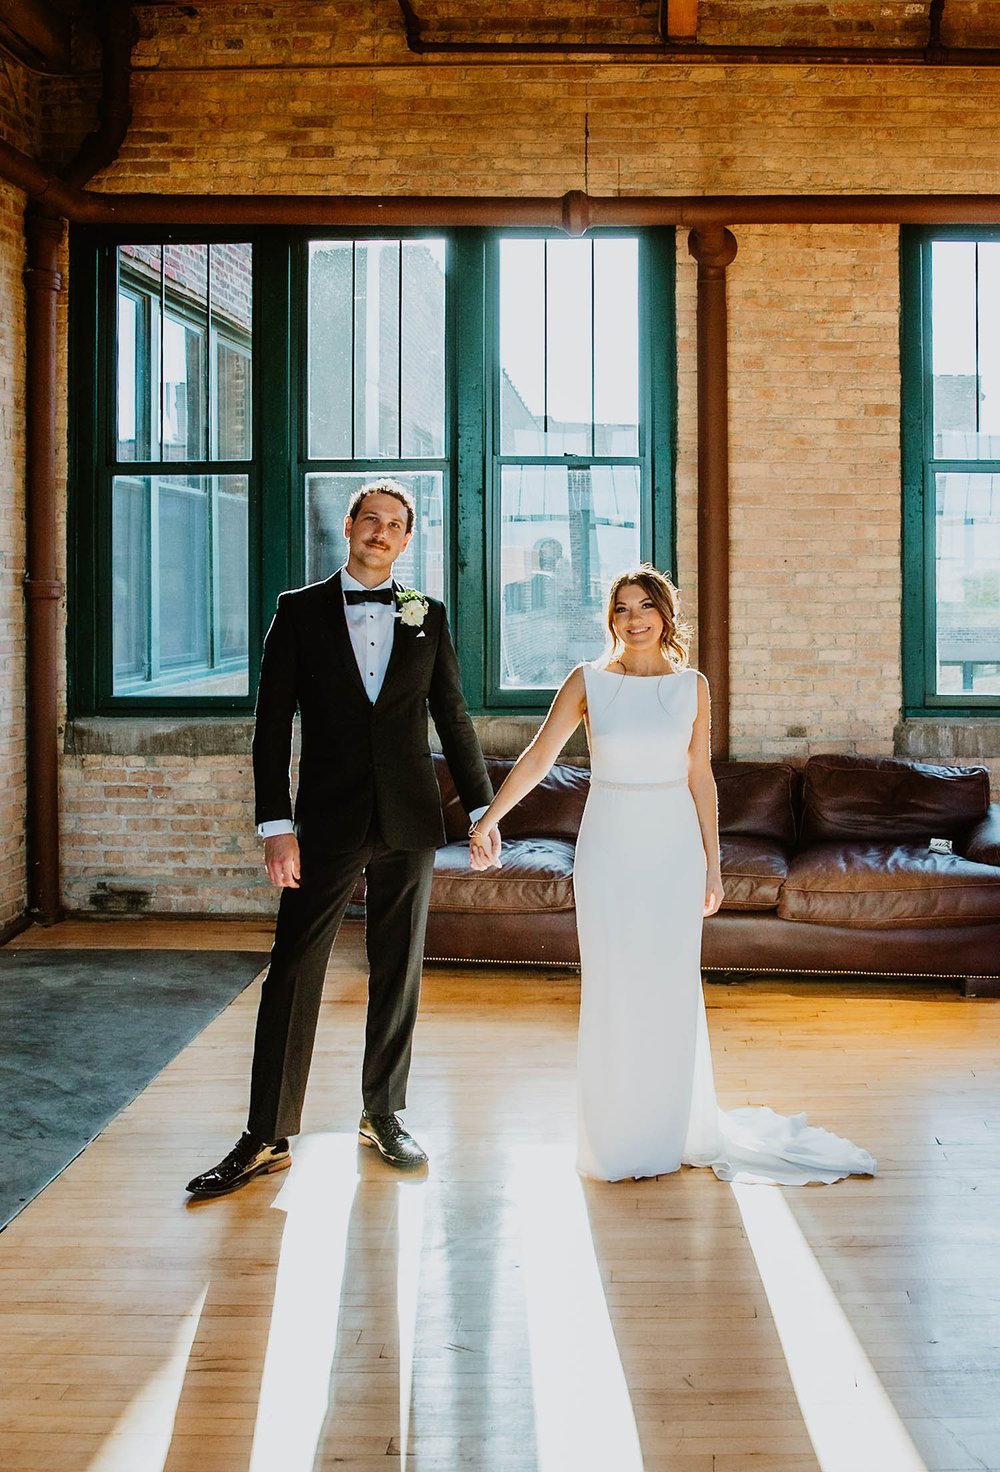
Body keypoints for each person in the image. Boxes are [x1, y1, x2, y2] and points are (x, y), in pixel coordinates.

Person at [469, 566, 875, 1185]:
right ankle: (615, 1138)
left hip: (672, 847)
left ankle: (670, 1128)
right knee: (612, 986)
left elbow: (700, 778)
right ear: (611, 619)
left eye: (645, 607)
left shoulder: (692, 686)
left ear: (664, 615)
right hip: (607, 843)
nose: (633, 619)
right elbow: (539, 758)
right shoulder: (588, 682)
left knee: (668, 986)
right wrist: (489, 818)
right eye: (622, 609)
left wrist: (713, 862)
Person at [187, 481, 499, 1195]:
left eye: (397, 525)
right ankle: (266, 1135)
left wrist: (483, 811)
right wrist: (276, 826)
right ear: (351, 527)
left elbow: (453, 717)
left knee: (398, 968)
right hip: (323, 820)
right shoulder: (297, 613)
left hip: (411, 819)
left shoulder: (429, 616)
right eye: (372, 521)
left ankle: (382, 1114)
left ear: (407, 539)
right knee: (294, 968)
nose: (382, 533)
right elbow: (271, 729)